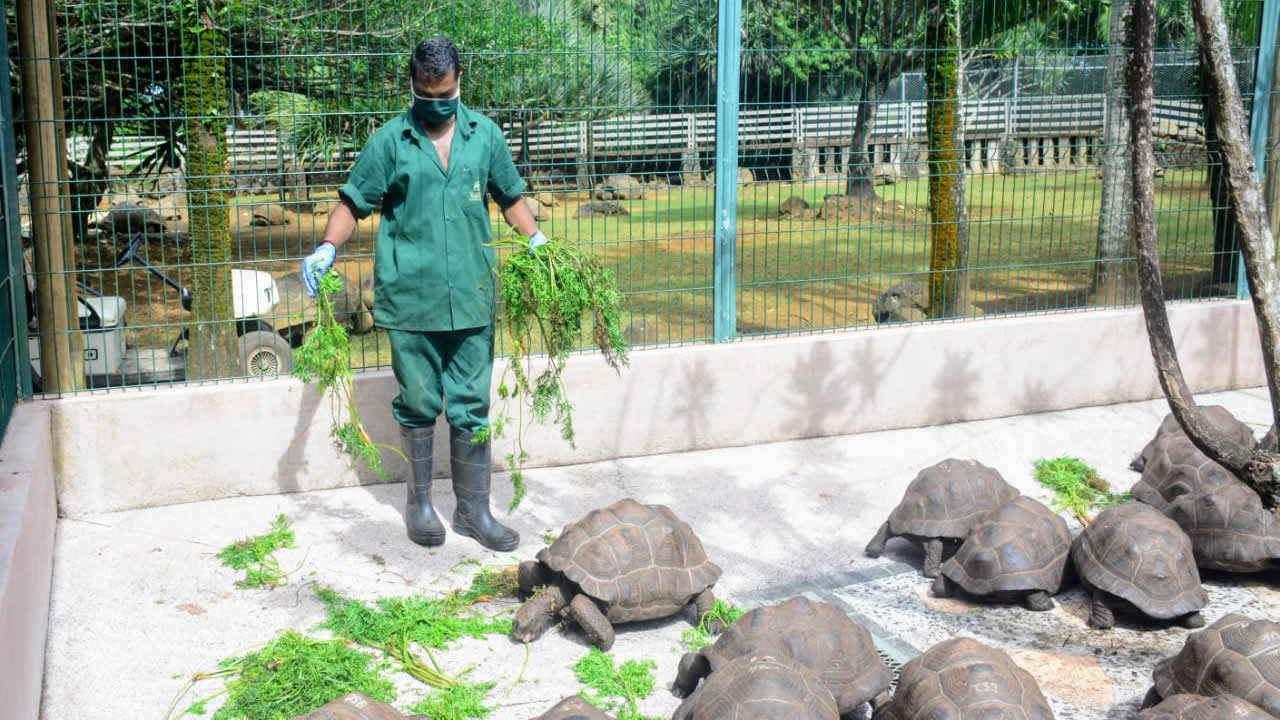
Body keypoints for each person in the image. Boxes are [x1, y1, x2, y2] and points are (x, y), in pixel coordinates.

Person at [300, 36, 546, 552]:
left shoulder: (485, 136)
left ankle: (474, 511)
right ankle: (419, 504)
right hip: (411, 300)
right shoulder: (390, 141)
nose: (437, 102)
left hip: (473, 298)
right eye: (426, 92)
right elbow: (353, 201)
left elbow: (510, 196)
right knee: (418, 402)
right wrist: (327, 247)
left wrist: (538, 240)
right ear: (411, 84)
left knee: (471, 405)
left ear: (460, 81)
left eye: (446, 92)